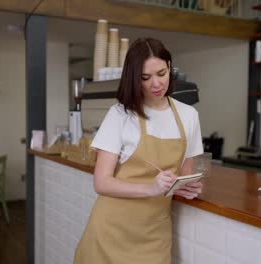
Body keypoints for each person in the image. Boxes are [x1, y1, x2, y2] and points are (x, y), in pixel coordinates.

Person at [74, 37, 204, 264]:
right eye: (146, 77)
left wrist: (185, 187)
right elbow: (101, 182)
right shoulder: (120, 114)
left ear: (170, 67)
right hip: (110, 232)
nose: (156, 83)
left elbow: (181, 176)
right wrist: (151, 187)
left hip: (154, 235)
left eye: (161, 73)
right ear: (135, 78)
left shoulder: (188, 116)